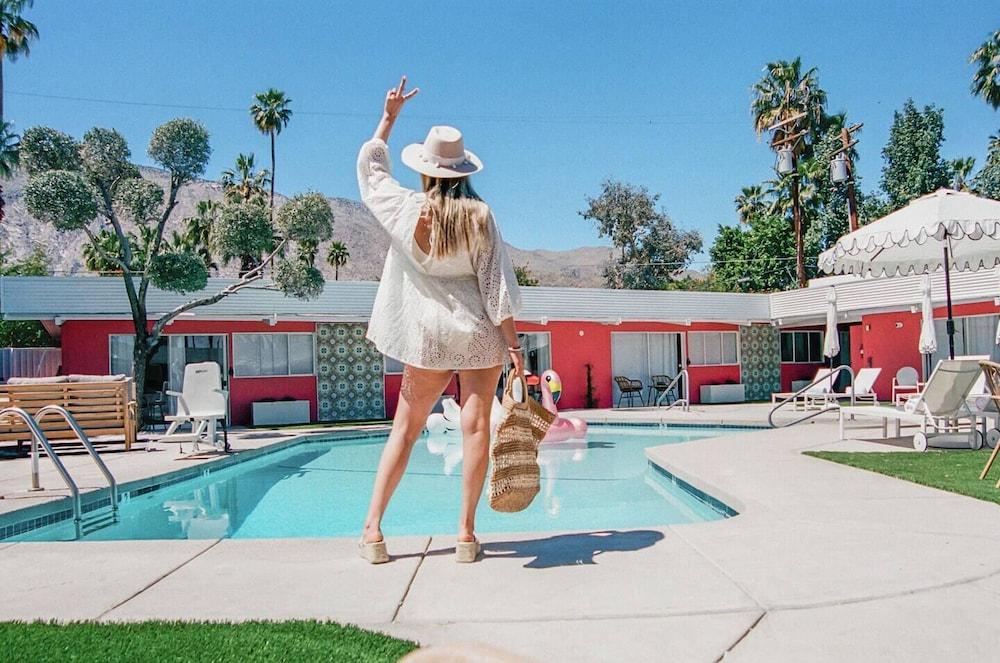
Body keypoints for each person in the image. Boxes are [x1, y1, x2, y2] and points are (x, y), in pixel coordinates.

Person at [356, 76, 524, 564]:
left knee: (405, 431)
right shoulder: (480, 215)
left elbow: (371, 174)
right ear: (463, 170)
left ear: (426, 170)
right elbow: (496, 286)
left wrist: (388, 119)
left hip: (428, 336)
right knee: (476, 429)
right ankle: (466, 535)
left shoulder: (405, 209)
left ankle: (373, 532)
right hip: (479, 336)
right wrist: (515, 348)